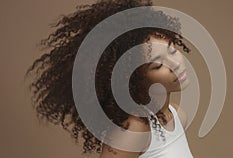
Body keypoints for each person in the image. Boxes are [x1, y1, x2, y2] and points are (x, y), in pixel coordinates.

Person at [26, 0, 193, 157]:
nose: (175, 64)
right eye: (158, 65)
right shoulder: (133, 131)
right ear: (136, 79)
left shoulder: (178, 115)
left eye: (172, 50)